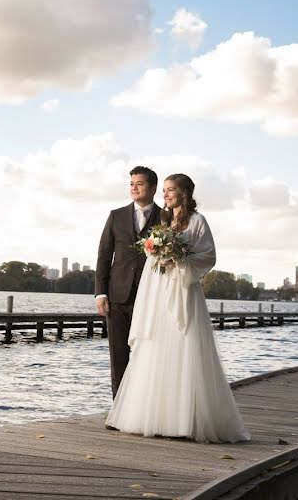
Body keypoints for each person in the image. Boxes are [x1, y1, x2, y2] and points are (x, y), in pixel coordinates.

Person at [105, 173, 250, 443]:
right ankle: (155, 415)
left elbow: (208, 256)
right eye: (165, 190)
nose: (166, 195)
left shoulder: (198, 221)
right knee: (157, 348)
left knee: (185, 347)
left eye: (171, 190)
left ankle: (184, 420)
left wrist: (178, 259)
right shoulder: (164, 220)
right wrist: (158, 252)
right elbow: (150, 258)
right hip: (160, 292)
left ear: (184, 193)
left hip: (183, 290)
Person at [95, 166, 161, 398]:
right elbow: (104, 256)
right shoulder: (116, 215)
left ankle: (144, 406)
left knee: (149, 354)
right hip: (118, 296)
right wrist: (100, 294)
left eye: (139, 184)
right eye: (131, 183)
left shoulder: (166, 218)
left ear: (153, 188)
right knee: (118, 355)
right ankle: (118, 408)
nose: (134, 188)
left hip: (152, 297)